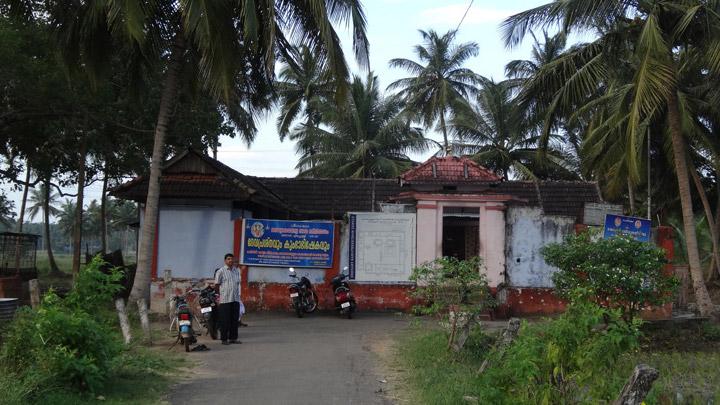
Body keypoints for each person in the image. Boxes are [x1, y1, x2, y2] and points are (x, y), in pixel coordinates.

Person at [214, 253, 242, 345]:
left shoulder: (236, 271)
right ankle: (224, 339)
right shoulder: (221, 271)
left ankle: (233, 338)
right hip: (225, 299)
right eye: (228, 259)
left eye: (231, 259)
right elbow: (217, 285)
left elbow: (238, 284)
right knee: (225, 320)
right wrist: (217, 297)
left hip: (235, 299)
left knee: (234, 320)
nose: (230, 260)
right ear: (225, 261)